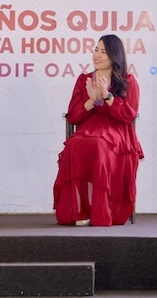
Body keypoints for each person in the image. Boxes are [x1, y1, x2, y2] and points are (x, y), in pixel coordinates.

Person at [53, 34, 142, 226]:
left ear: (114, 55)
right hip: (89, 128)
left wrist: (108, 97)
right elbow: (73, 116)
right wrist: (92, 101)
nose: (97, 55)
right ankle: (80, 211)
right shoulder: (84, 80)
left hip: (117, 132)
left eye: (103, 52)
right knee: (75, 145)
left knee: (101, 145)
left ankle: (101, 211)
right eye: (96, 50)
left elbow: (128, 114)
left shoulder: (127, 81)